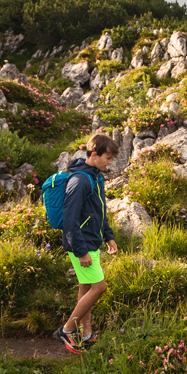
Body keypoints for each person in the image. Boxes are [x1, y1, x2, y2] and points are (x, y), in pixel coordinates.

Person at [54, 134, 120, 354]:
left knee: (86, 287)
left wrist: (108, 235)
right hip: (80, 244)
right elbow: (70, 220)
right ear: (94, 155)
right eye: (108, 158)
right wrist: (81, 251)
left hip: (92, 241)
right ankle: (67, 329)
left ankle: (86, 333)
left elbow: (99, 210)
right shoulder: (80, 181)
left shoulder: (95, 177)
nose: (110, 162)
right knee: (99, 287)